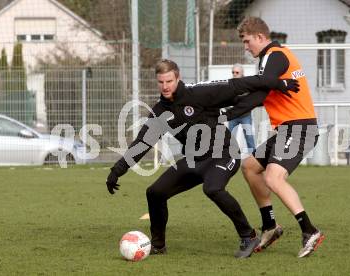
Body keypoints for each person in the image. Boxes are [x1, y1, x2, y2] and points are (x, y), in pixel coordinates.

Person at [105, 59, 299, 258]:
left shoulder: (198, 93)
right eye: (161, 82)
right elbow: (141, 143)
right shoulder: (160, 112)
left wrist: (277, 83)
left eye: (169, 81)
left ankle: (248, 236)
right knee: (155, 192)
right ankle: (158, 246)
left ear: (178, 78)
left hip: (223, 153)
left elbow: (237, 86)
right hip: (194, 160)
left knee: (213, 188)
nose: (165, 86)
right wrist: (116, 171)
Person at [223, 16, 324, 258]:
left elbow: (264, 84)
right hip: (288, 129)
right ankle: (270, 226)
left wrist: (229, 97)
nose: (246, 47)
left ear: (260, 37)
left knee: (273, 177)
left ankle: (309, 230)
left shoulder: (275, 55)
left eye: (247, 41)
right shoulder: (270, 60)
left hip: (299, 128)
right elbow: (259, 96)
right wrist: (226, 111)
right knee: (249, 167)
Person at [227, 63, 256, 153]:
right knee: (229, 138)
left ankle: (255, 159)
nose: (234, 74)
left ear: (242, 73)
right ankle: (228, 158)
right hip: (233, 116)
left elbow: (252, 99)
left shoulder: (247, 84)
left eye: (237, 72)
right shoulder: (229, 84)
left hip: (245, 116)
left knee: (249, 137)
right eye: (233, 72)